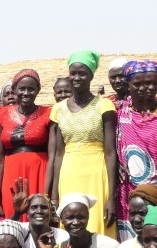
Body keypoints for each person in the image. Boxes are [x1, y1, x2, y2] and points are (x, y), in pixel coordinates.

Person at [50, 50, 118, 237]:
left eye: (83, 73)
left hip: (97, 171)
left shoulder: (104, 106)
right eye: (73, 73)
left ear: (91, 76)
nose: (77, 78)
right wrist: (54, 195)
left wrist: (111, 198)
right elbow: (58, 155)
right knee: (70, 223)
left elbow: (111, 153)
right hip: (69, 173)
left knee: (96, 223)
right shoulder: (58, 109)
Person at [115, 61, 157, 238]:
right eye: (137, 84)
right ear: (128, 85)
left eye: (153, 83)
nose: (146, 88)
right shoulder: (119, 110)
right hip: (128, 186)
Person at [0, 69, 52, 219]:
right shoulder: (2, 114)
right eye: (22, 88)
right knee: (13, 218)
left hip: (40, 171)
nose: (26, 93)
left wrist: (47, 193)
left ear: (38, 90)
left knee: (38, 217)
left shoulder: (48, 113)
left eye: (31, 89)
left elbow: (53, 156)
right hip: (11, 174)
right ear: (14, 90)